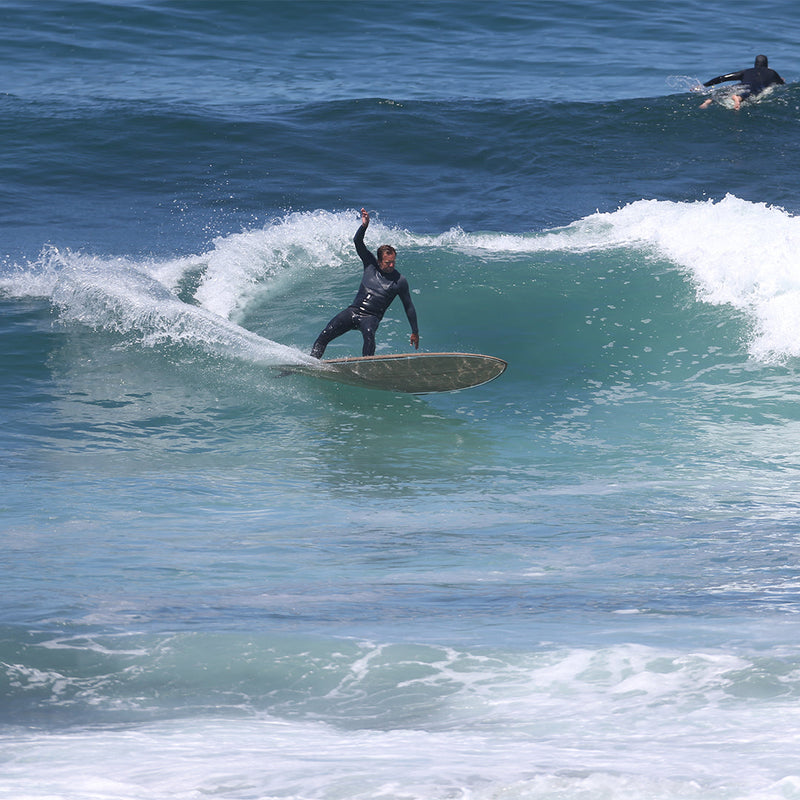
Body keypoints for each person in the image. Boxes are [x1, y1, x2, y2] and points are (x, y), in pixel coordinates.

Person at [310, 208, 419, 358]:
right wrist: (364, 226)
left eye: (393, 262)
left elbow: (409, 307)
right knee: (325, 334)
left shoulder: (399, 281)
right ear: (379, 261)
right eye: (388, 263)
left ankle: (367, 365)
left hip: (371, 317)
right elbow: (357, 241)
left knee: (369, 336)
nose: (392, 265)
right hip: (353, 311)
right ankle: (311, 361)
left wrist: (415, 331)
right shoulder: (370, 265)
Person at [700, 55, 784, 110]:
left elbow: (722, 78)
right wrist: (780, 80)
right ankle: (738, 99)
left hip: (741, 85)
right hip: (754, 86)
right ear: (766, 64)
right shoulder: (772, 72)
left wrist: (704, 85)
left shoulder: (746, 71)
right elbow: (781, 84)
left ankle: (708, 101)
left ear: (755, 64)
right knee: (751, 92)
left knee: (727, 91)